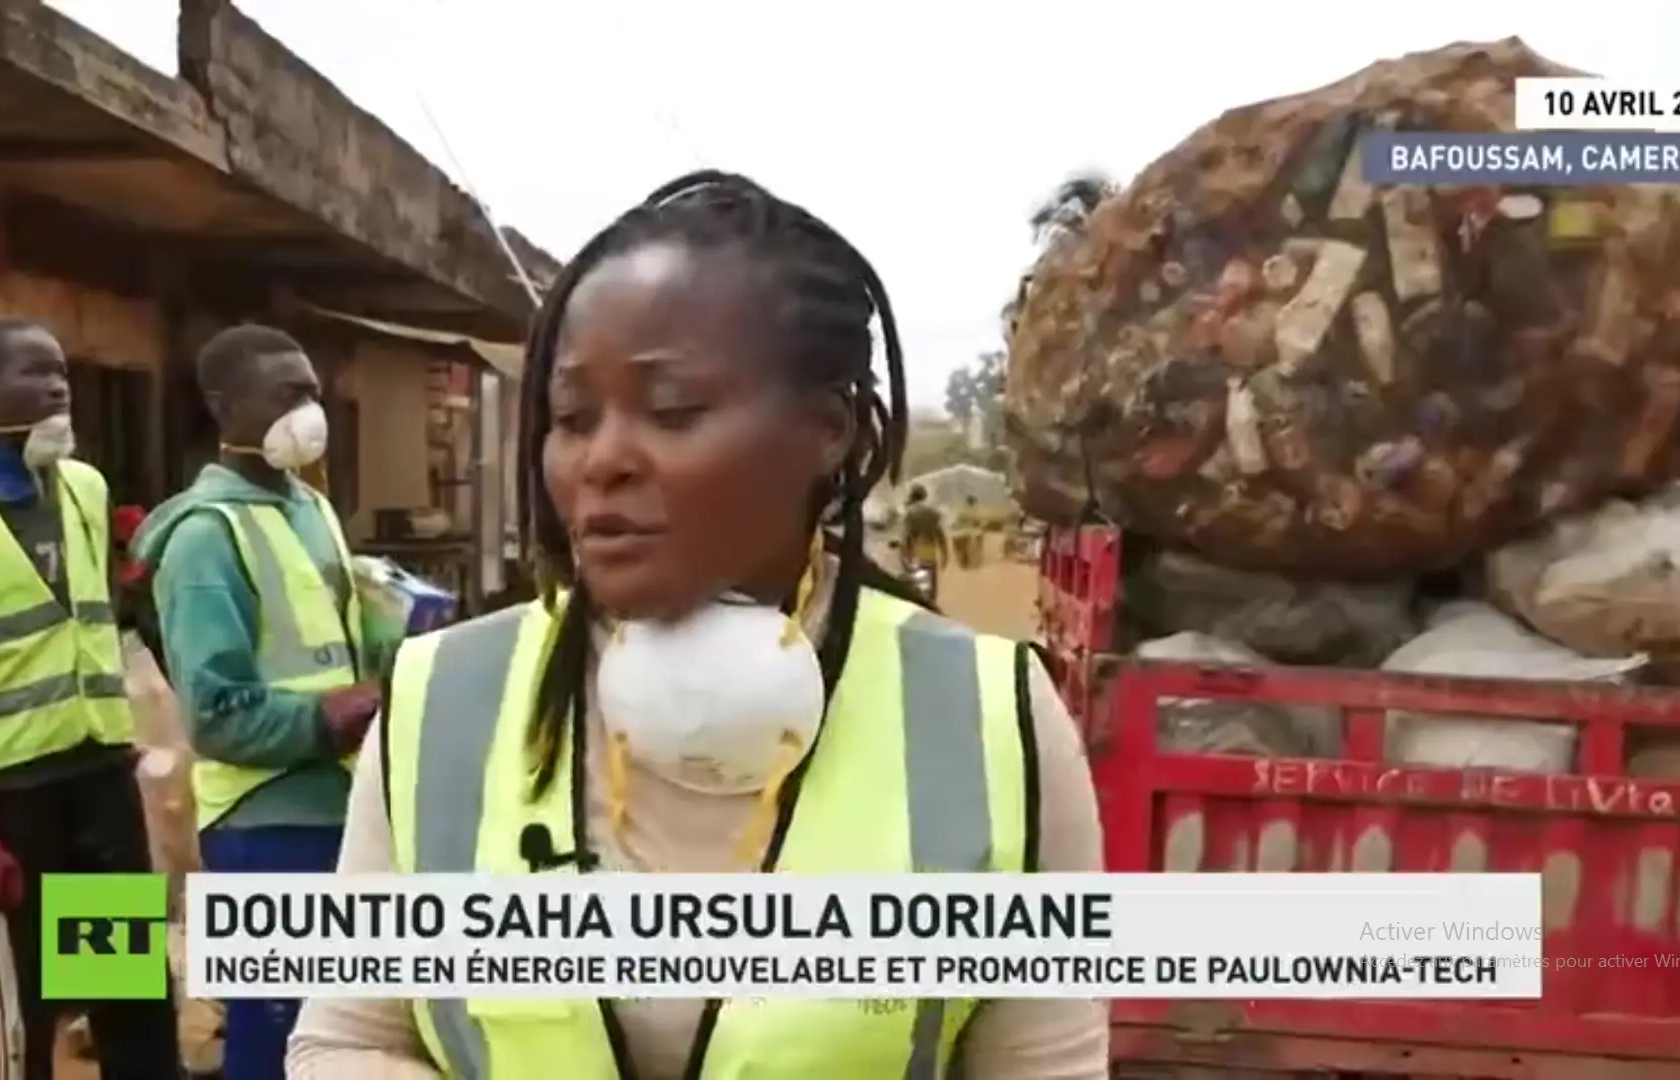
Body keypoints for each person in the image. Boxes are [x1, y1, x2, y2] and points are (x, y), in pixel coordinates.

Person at [288, 171, 1109, 1078]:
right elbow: (348, 1040)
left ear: (826, 430)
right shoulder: (439, 702)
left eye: (673, 409)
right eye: (572, 417)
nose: (602, 460)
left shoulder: (993, 721)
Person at [0, 318, 182, 1080]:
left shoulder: (85, 488)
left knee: (124, 989)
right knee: (26, 1010)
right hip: (13, 798)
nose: (57, 386)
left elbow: (98, 619)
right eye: (32, 373)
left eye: (59, 371)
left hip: (97, 781)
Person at [127, 323, 394, 1080]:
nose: (308, 411)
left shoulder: (312, 506)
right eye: (287, 394)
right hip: (261, 821)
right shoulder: (202, 539)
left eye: (312, 392)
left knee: (337, 1027)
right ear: (224, 406)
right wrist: (328, 716)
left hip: (344, 803)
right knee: (273, 1029)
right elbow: (214, 714)